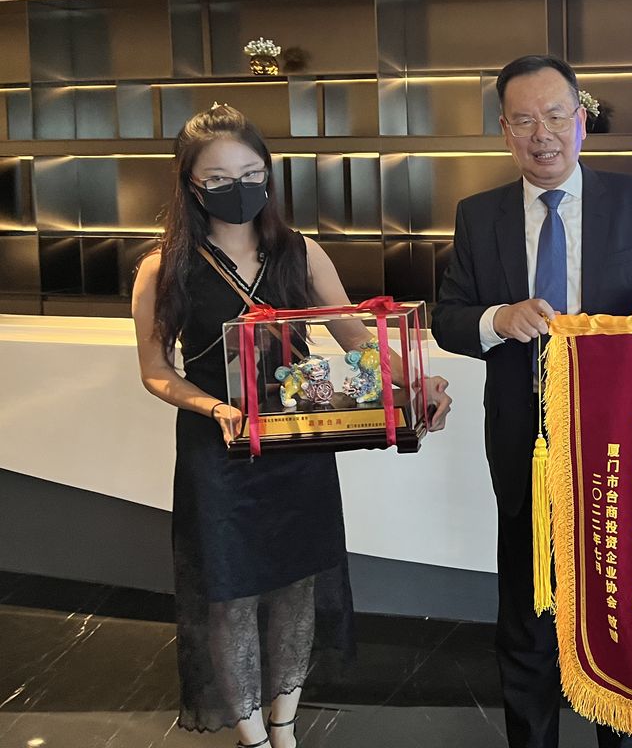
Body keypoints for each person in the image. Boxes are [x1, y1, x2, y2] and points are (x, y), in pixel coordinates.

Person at [131, 103, 451, 748]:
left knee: (296, 586)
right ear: (189, 184)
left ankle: (285, 727)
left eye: (251, 174)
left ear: (269, 175)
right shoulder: (164, 267)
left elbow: (355, 336)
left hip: (296, 443)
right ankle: (252, 736)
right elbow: (156, 371)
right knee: (230, 593)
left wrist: (415, 382)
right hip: (218, 453)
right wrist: (215, 408)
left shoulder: (299, 252)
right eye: (219, 179)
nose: (239, 188)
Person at [432, 55, 632, 748]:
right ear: (504, 131)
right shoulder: (479, 216)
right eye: (524, 120)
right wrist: (499, 318)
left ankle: (621, 731)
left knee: (621, 605)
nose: (542, 134)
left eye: (556, 116)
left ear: (582, 120)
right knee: (528, 610)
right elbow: (449, 318)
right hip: (526, 438)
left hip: (625, 440)